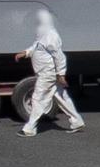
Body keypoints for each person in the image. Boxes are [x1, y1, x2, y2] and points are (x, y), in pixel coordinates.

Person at [14, 8, 85, 136]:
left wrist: (61, 74)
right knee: (61, 97)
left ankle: (29, 128)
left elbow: (59, 56)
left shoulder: (51, 36)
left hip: (48, 73)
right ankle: (77, 121)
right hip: (46, 72)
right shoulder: (43, 33)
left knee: (38, 98)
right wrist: (26, 53)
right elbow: (37, 46)